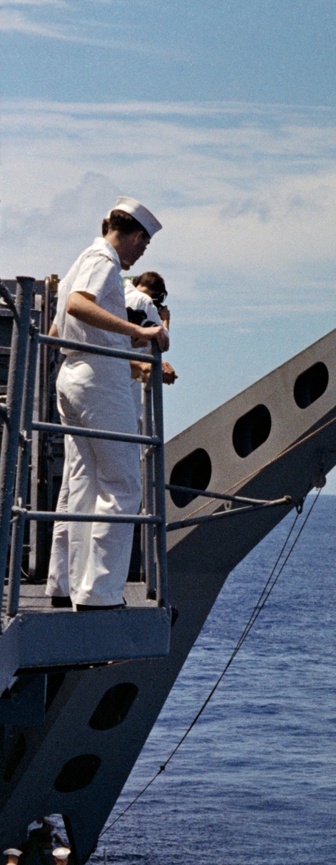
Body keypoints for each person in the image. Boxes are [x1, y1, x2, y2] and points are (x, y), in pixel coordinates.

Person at [47, 198, 168, 609]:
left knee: (80, 484)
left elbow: (60, 324)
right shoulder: (106, 261)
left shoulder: (82, 258)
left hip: (72, 375)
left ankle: (63, 584)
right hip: (100, 381)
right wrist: (142, 331)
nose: (140, 254)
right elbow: (79, 305)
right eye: (143, 246)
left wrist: (127, 338)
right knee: (122, 485)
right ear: (136, 236)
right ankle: (98, 592)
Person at [124, 271, 177, 425]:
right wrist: (165, 319)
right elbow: (163, 342)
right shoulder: (144, 301)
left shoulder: (118, 295)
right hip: (128, 381)